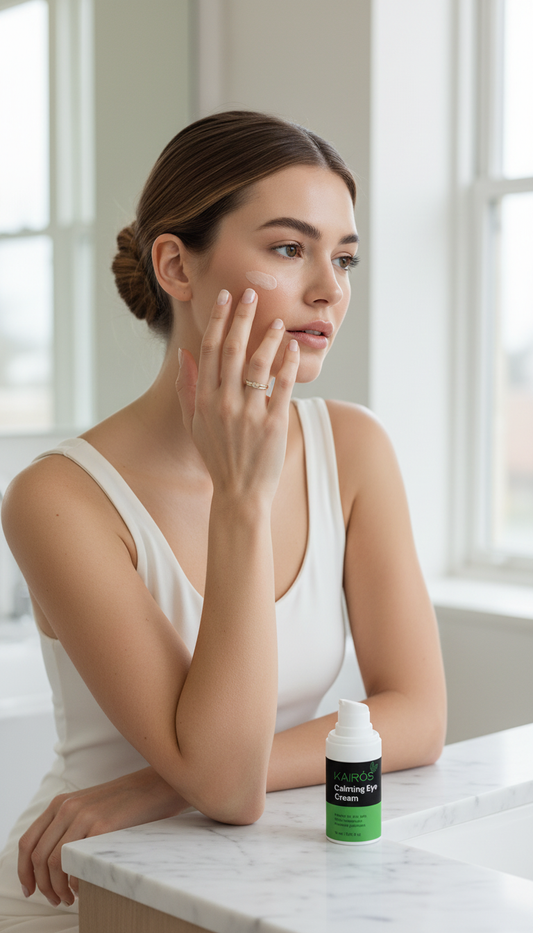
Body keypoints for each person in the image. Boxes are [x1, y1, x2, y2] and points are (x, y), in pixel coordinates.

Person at [0, 110, 446, 932]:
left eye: (343, 258)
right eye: (289, 248)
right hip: (87, 890)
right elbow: (228, 790)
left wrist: (157, 782)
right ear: (175, 263)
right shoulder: (58, 498)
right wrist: (242, 497)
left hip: (255, 870)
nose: (329, 289)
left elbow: (416, 712)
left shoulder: (353, 447)